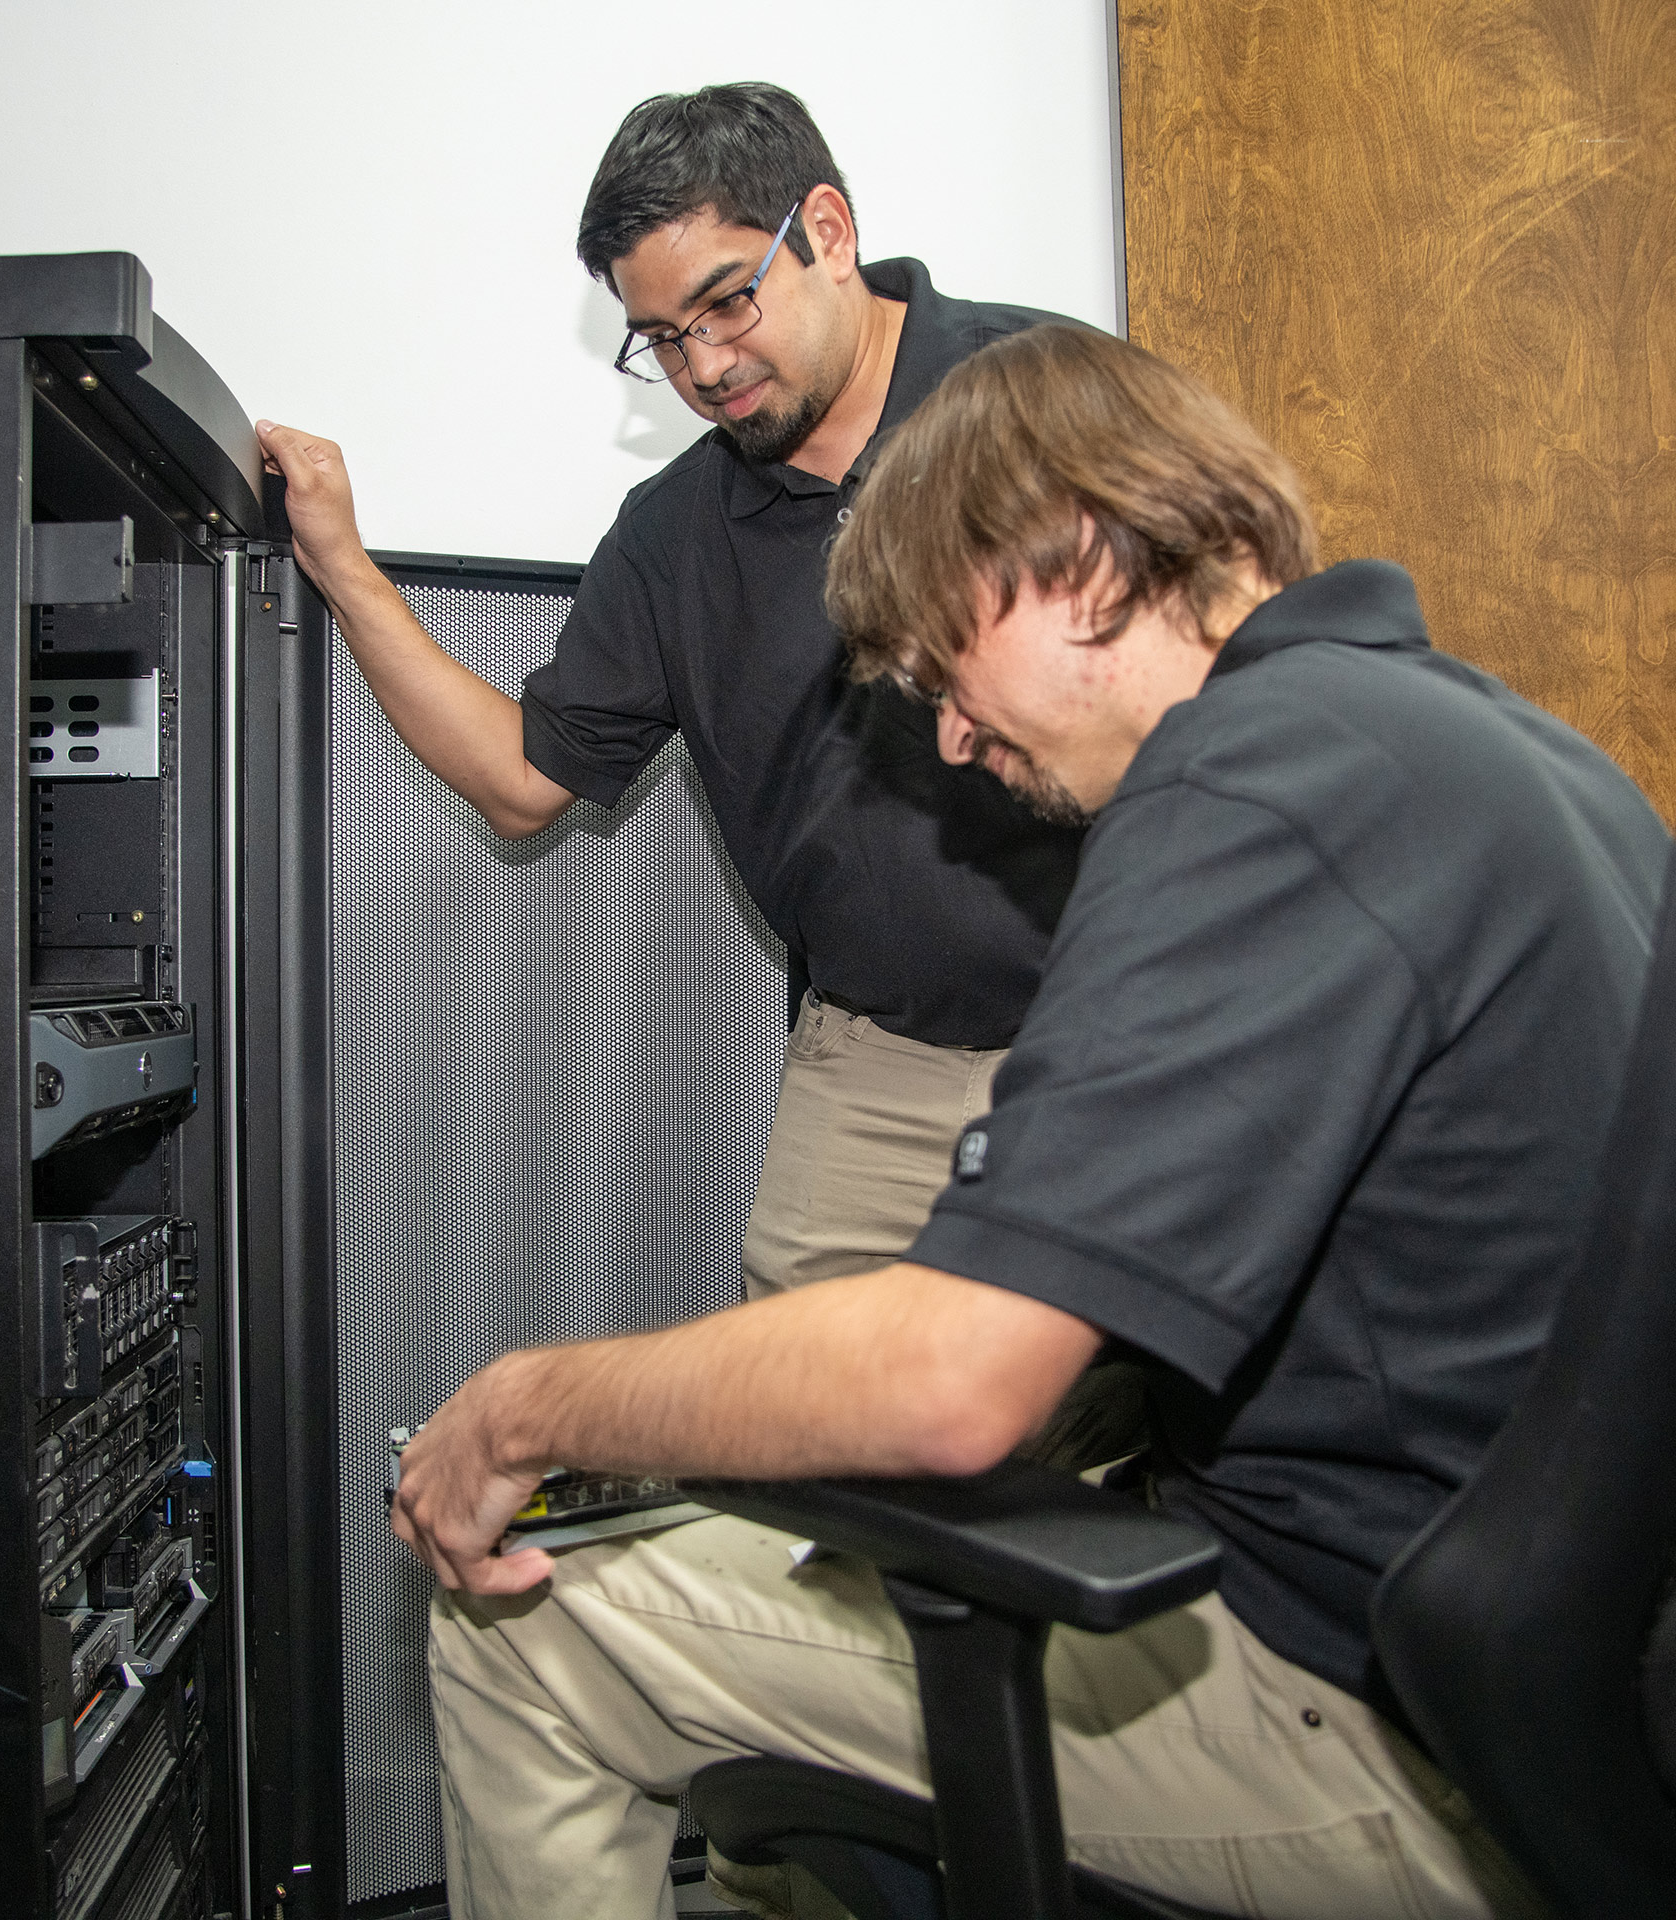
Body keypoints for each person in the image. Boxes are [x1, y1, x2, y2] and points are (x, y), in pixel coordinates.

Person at [390, 323, 1667, 1919]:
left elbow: (951, 1385)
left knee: (534, 1628)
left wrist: (524, 1406)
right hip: (1552, 1716)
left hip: (1373, 1731)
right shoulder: (1507, 751)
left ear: (1071, 560)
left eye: (939, 664)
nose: (944, 738)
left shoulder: (1244, 791)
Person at [256, 83, 1143, 1468]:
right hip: (880, 1065)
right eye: (662, 338)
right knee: (797, 1473)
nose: (706, 364)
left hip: (1140, 1038)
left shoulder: (1056, 394)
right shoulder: (672, 537)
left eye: (729, 304)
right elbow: (522, 781)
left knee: (1148, 1461)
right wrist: (344, 568)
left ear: (828, 230)